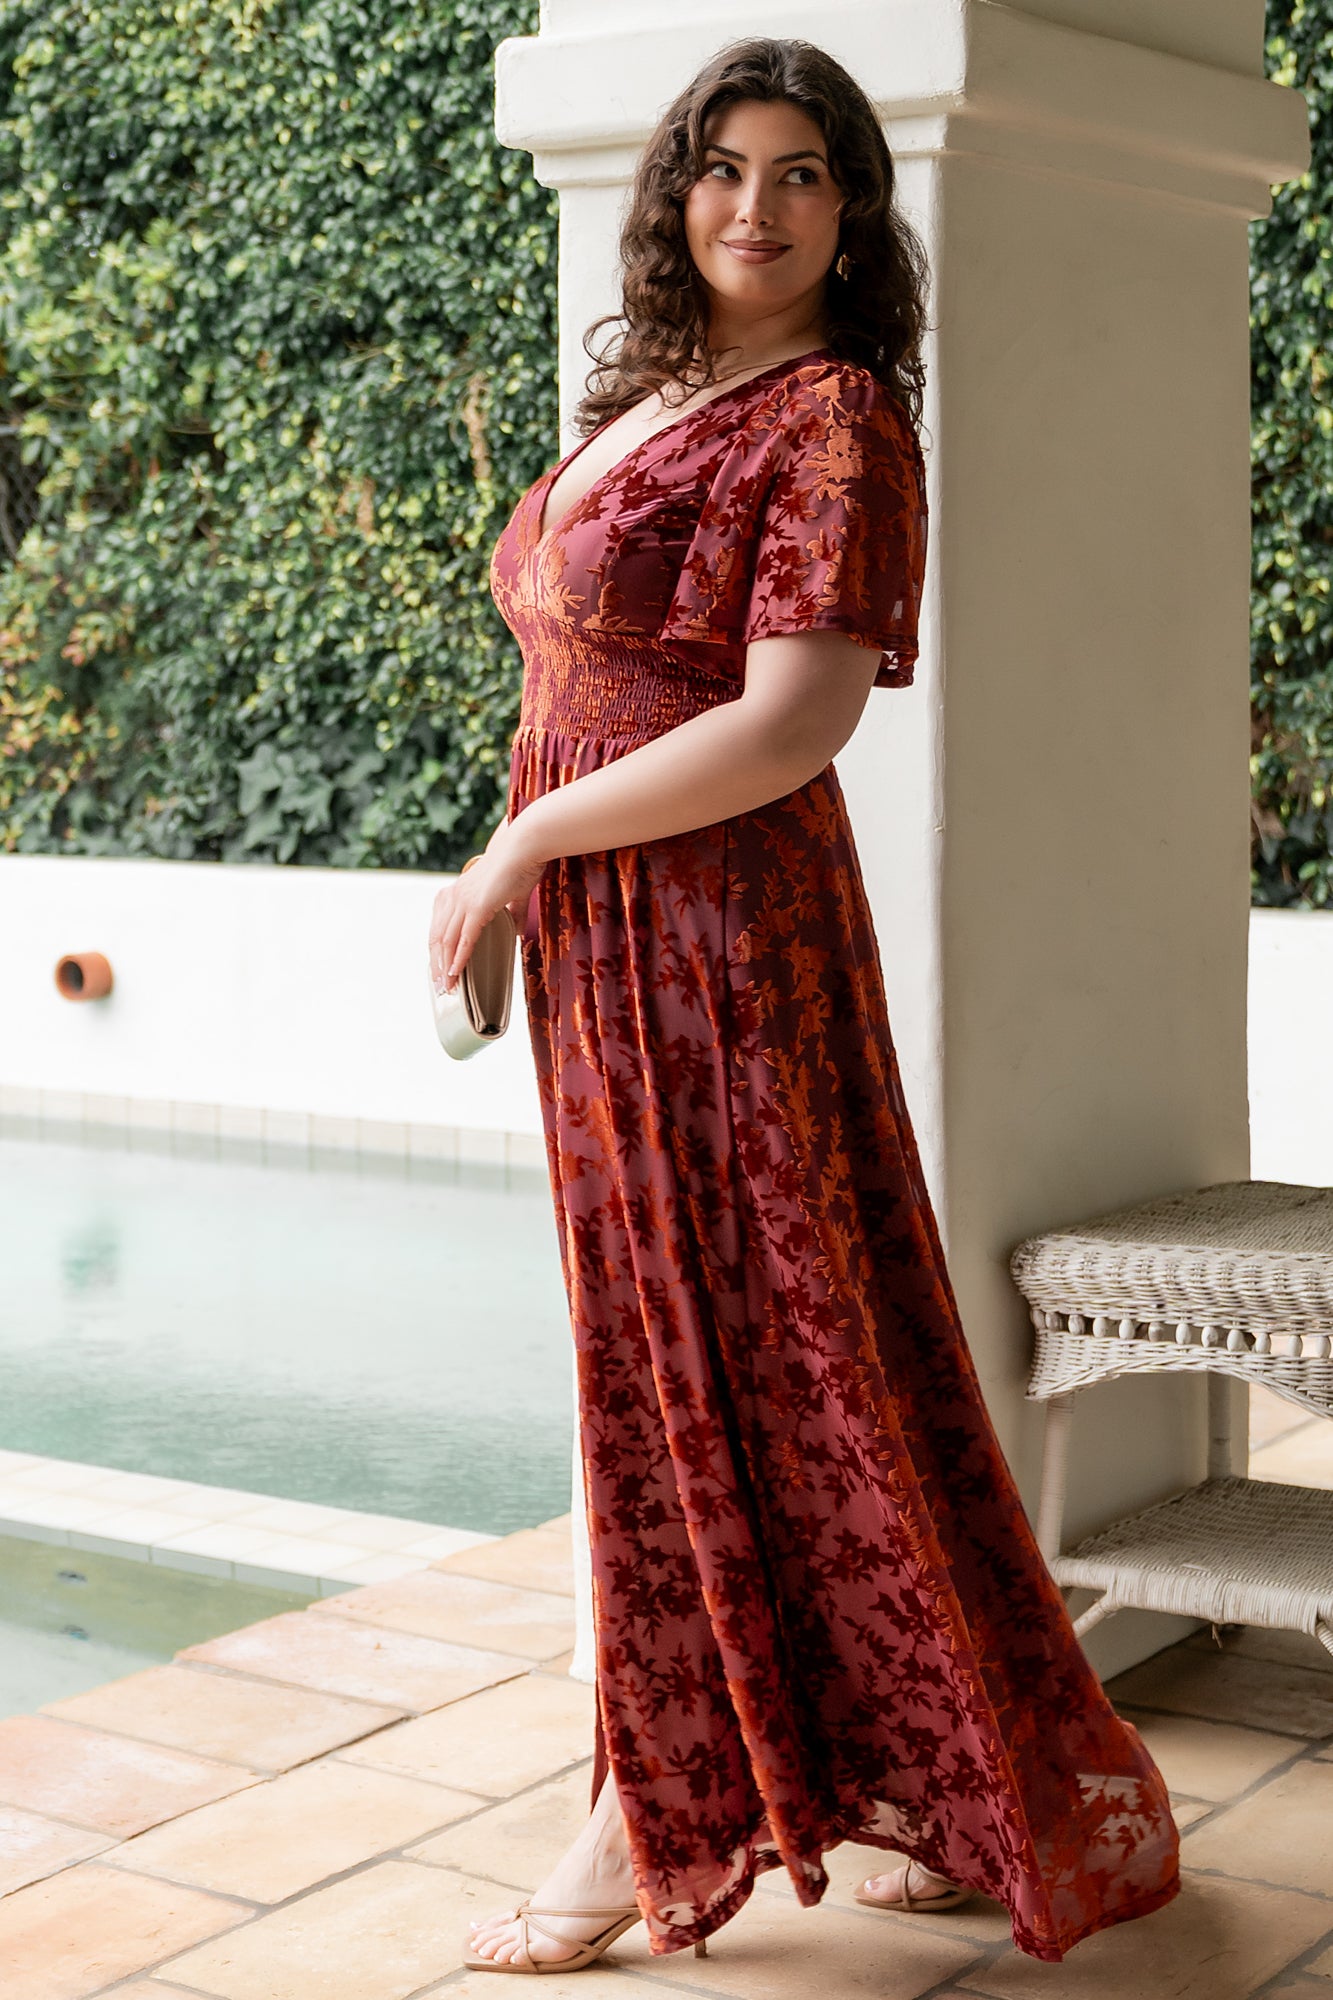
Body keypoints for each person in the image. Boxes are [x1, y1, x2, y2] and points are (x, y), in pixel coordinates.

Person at [428, 34, 1180, 1978]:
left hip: (719, 941)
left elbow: (791, 724)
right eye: (722, 168)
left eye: (800, 174)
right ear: (673, 192)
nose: (753, 207)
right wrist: (528, 871)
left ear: (853, 213)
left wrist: (519, 850)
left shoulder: (837, 418)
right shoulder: (654, 395)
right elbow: (581, 677)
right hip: (612, 944)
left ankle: (649, 1810)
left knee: (742, 1351)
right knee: (711, 1346)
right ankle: (936, 1771)